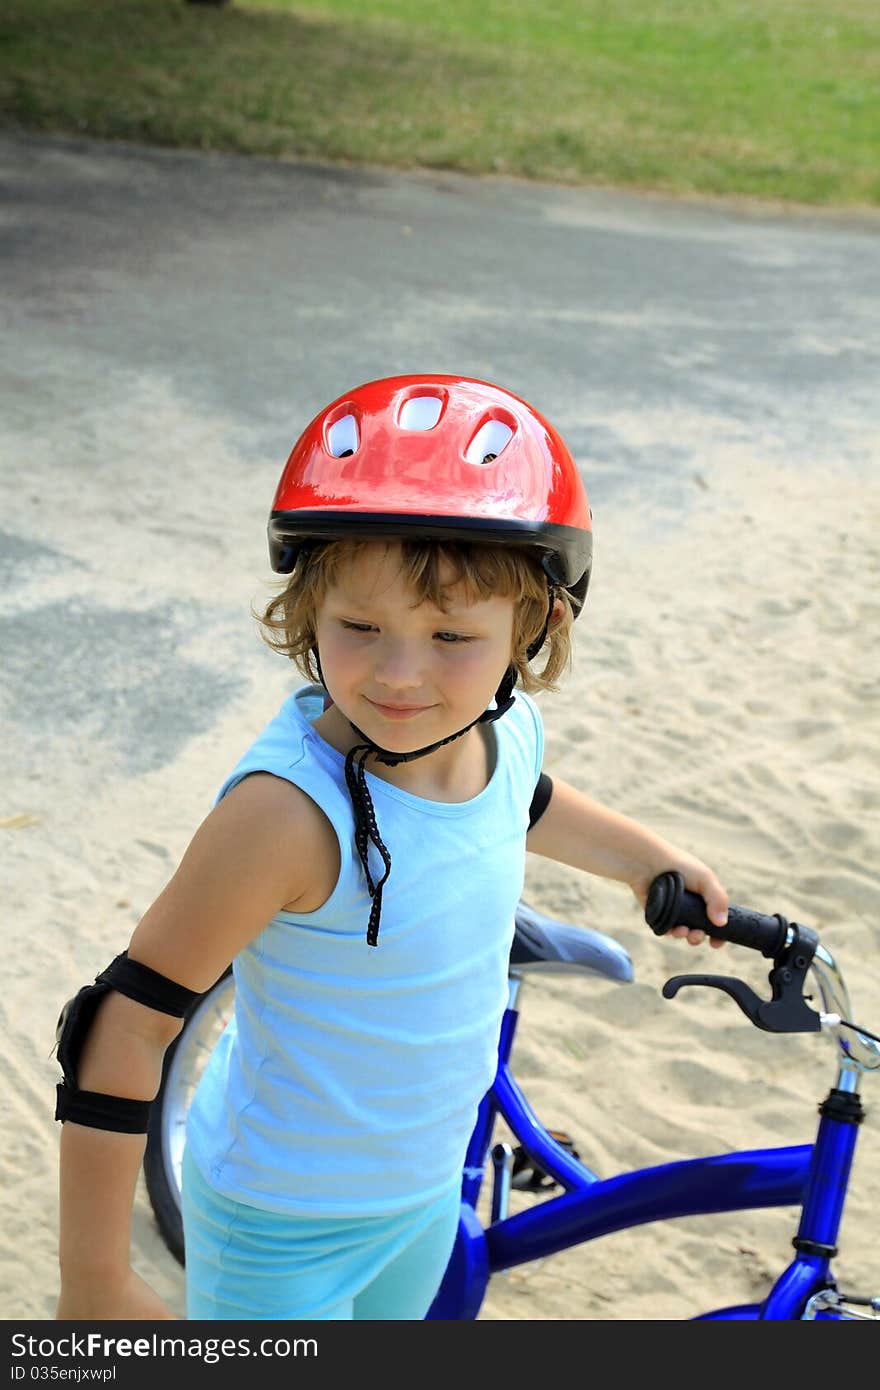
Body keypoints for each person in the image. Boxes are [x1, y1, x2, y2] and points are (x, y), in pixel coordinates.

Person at [54, 374, 728, 1321]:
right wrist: (94, 1282)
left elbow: (523, 800)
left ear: (530, 628)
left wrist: (643, 859)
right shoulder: (285, 817)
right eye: (360, 627)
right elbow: (127, 1023)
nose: (401, 676)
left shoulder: (502, 728)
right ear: (309, 614)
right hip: (281, 1219)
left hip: (418, 1191)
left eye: (452, 634)